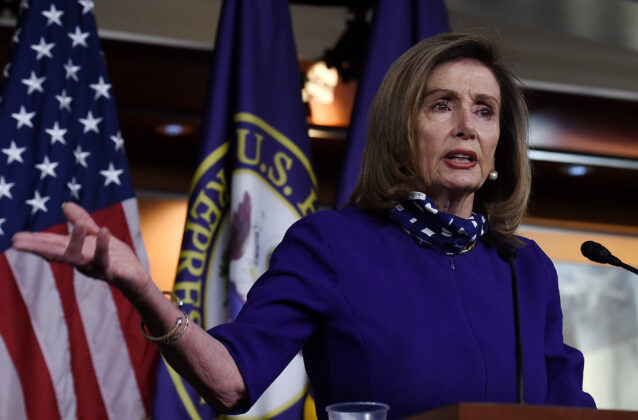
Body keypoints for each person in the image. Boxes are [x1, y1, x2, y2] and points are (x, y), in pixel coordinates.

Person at [12, 33, 595, 419]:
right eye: (441, 104)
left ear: (500, 147)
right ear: (401, 129)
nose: (466, 125)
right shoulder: (333, 245)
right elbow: (231, 381)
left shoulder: (525, 268)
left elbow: (570, 407)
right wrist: (141, 288)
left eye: (484, 110)